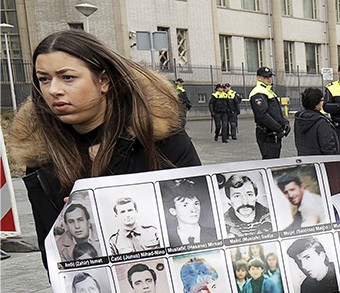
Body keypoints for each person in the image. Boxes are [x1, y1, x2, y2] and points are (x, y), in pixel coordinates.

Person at [11, 31, 200, 264]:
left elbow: (196, 214)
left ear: (103, 81)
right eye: (44, 79)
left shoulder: (161, 138)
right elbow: (52, 253)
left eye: (67, 77)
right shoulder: (40, 155)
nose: (53, 90)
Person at [249, 66, 290, 159]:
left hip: (273, 133)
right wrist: (279, 129)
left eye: (270, 76)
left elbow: (276, 112)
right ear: (258, 77)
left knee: (274, 160)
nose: (269, 79)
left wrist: (285, 123)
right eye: (265, 77)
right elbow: (262, 115)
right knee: (270, 161)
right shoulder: (258, 92)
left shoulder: (268, 91)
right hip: (267, 133)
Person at [163, 178, 218, 246]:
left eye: (196, 204)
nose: (193, 210)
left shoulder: (216, 234)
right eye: (185, 205)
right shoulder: (167, 242)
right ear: (173, 211)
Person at [293, 87, 338, 156]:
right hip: (320, 163)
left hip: (305, 161)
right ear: (317, 103)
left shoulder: (299, 118)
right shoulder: (321, 122)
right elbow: (328, 147)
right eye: (322, 100)